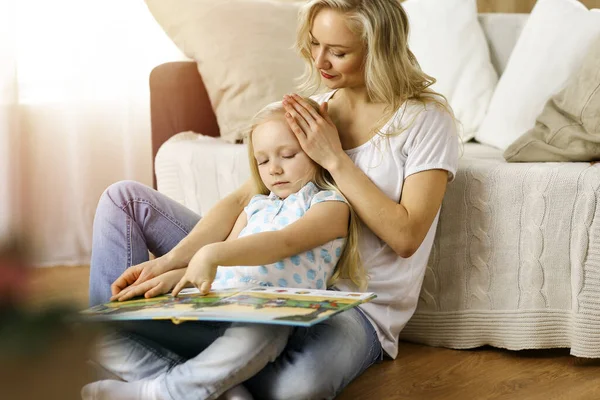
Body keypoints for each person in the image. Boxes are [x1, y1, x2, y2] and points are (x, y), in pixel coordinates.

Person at [87, 0, 459, 398]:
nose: (320, 61)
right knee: (123, 199)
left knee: (294, 390)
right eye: (315, 44)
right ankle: (191, 381)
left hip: (353, 308)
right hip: (264, 274)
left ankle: (169, 375)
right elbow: (242, 200)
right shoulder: (317, 109)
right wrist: (171, 261)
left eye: (338, 51)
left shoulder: (425, 120)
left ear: (379, 50)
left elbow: (406, 237)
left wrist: (333, 156)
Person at [82, 98, 366, 400]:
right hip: (216, 306)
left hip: (268, 317)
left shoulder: (330, 205)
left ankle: (161, 393)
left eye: (288, 155)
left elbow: (284, 242)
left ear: (315, 151)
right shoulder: (257, 205)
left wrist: (211, 254)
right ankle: (214, 389)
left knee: (261, 333)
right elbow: (228, 254)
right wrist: (171, 275)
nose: (275, 169)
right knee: (93, 333)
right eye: (263, 161)